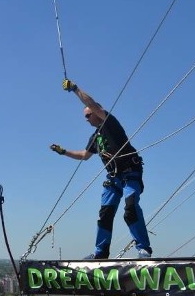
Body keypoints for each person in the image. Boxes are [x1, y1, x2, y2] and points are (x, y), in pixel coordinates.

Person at [49, 79, 152, 259]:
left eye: (88, 115)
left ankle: (143, 249)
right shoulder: (95, 137)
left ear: (97, 113)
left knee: (130, 208)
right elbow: (84, 155)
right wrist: (63, 152)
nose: (86, 119)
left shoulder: (110, 124)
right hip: (113, 178)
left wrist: (74, 89)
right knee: (105, 214)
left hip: (129, 173)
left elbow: (91, 103)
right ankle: (100, 253)